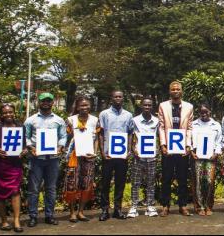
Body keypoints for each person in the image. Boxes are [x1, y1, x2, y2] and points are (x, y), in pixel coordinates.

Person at [25, 92, 66, 227]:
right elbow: (26, 137)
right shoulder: (31, 120)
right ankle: (33, 216)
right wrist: (31, 148)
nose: (46, 103)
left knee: (51, 188)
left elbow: (63, 136)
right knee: (34, 189)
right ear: (39, 102)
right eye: (43, 100)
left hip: (53, 159)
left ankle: (49, 215)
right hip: (36, 159)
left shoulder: (59, 120)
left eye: (49, 100)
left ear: (52, 102)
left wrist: (61, 147)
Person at [158, 81, 195, 217]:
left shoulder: (189, 107)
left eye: (177, 89)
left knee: (182, 178)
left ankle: (183, 205)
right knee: (166, 178)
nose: (175, 91)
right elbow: (161, 126)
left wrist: (188, 146)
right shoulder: (163, 106)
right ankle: (165, 206)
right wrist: (163, 145)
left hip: (182, 149)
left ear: (181, 91)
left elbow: (189, 128)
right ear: (169, 91)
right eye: (173, 89)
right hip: (168, 148)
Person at [98, 90, 133, 221]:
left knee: (120, 183)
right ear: (111, 98)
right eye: (115, 97)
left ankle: (117, 209)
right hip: (108, 155)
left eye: (120, 97)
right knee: (105, 183)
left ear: (123, 99)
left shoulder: (128, 115)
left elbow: (130, 133)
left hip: (122, 155)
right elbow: (100, 133)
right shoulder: (104, 114)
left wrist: (129, 149)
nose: (118, 99)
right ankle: (104, 210)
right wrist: (102, 152)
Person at [0, 104, 26, 232]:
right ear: (1, 114)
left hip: (15, 165)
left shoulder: (21, 127)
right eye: (5, 113)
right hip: (1, 165)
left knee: (15, 191)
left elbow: (24, 145)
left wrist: (24, 151)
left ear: (14, 112)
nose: (8, 114)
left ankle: (16, 221)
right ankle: (4, 221)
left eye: (10, 112)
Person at [63, 96, 98, 223]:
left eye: (87, 105)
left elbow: (97, 138)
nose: (84, 108)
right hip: (74, 157)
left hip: (88, 157)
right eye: (82, 106)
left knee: (86, 183)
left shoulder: (95, 120)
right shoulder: (70, 120)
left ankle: (81, 212)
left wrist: (95, 153)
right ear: (77, 107)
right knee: (72, 184)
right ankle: (72, 212)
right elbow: (65, 138)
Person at [127, 98, 160, 218]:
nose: (147, 107)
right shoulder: (134, 120)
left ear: (152, 107)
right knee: (136, 182)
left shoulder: (156, 121)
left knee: (151, 182)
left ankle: (150, 206)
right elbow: (131, 135)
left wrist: (158, 149)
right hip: (138, 156)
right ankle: (134, 206)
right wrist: (132, 149)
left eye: (149, 105)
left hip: (151, 157)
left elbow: (159, 137)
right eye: (145, 105)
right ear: (141, 106)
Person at [190, 103, 223, 216]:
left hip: (210, 157)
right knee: (198, 182)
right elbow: (188, 140)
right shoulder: (193, 124)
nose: (204, 114)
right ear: (198, 113)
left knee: (209, 182)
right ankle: (199, 207)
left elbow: (219, 141)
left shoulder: (216, 125)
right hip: (197, 157)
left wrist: (216, 153)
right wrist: (191, 152)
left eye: (206, 111)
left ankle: (208, 206)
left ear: (210, 111)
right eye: (201, 112)